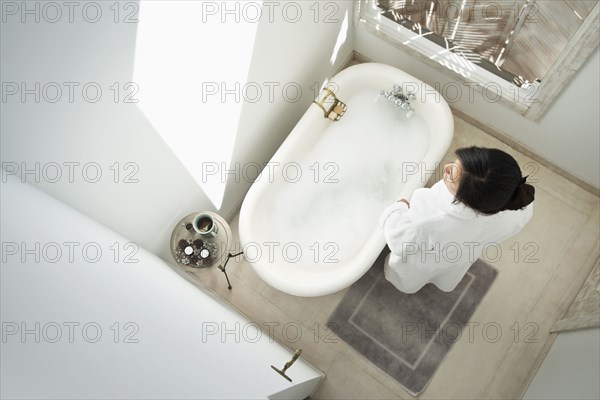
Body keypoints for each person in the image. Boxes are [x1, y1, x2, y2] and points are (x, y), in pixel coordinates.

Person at [379, 146, 535, 293]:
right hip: (460, 253)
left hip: (424, 258)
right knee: (443, 270)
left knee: (416, 272)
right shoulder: (517, 207)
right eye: (455, 163)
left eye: (451, 175)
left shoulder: (429, 219)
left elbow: (399, 239)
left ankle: (414, 282)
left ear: (465, 200)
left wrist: (399, 207)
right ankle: (431, 280)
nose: (446, 166)